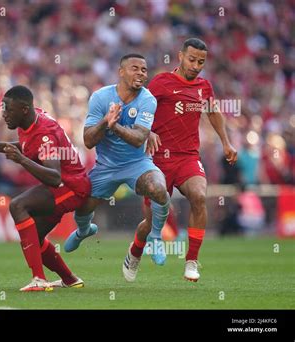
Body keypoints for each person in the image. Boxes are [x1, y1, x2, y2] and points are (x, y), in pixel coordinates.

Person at [0, 85, 90, 291]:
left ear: (24, 109)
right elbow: (26, 145)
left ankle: (39, 280)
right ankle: (69, 279)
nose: (4, 114)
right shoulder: (32, 120)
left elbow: (54, 176)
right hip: (66, 185)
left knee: (17, 206)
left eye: (8, 109)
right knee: (34, 238)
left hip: (70, 187)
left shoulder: (45, 133)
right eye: (3, 108)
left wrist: (22, 161)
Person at [63, 54, 171, 281]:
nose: (141, 73)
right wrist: (105, 121)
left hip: (136, 163)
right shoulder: (101, 97)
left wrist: (115, 125)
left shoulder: (148, 99)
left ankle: (156, 236)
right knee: (81, 206)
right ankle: (84, 231)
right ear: (121, 72)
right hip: (106, 167)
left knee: (159, 188)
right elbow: (89, 141)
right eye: (135, 68)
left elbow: (139, 138)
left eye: (144, 69)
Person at [143, 38, 238, 282]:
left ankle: (192, 260)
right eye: (192, 59)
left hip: (187, 156)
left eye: (201, 62)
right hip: (159, 157)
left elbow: (213, 112)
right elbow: (142, 108)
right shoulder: (161, 82)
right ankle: (140, 248)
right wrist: (147, 131)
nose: (196, 65)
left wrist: (226, 143)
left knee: (198, 195)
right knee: (155, 211)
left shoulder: (204, 87)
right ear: (180, 56)